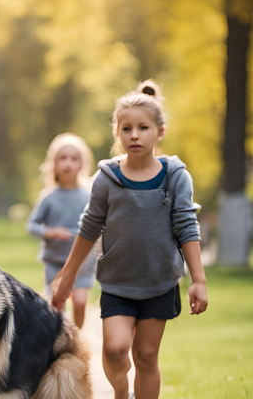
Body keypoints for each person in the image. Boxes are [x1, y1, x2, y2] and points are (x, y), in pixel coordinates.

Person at [52, 80, 209, 399]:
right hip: (118, 284)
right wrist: (67, 276)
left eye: (143, 128)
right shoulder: (107, 179)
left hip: (159, 283)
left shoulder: (175, 175)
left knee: (147, 355)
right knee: (114, 349)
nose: (134, 135)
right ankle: (121, 391)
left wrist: (199, 279)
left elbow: (186, 226)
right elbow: (89, 227)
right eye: (126, 128)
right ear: (117, 133)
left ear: (159, 132)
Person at [26, 133, 98, 329]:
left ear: (82, 164)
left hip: (83, 265)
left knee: (81, 303)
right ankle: (58, 340)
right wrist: (50, 232)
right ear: (53, 163)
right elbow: (32, 225)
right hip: (54, 263)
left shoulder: (89, 195)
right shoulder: (49, 196)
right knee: (56, 307)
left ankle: (76, 338)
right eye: (62, 158)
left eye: (74, 159)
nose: (68, 163)